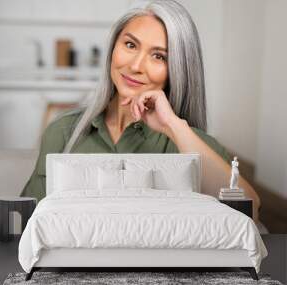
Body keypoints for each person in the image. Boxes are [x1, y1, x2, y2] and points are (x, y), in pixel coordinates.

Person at [20, 0, 261, 223]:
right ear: (113, 47)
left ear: (178, 69)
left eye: (158, 56)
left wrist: (172, 126)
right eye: (130, 44)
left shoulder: (189, 141)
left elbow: (249, 209)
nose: (135, 66)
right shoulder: (63, 131)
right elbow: (27, 223)